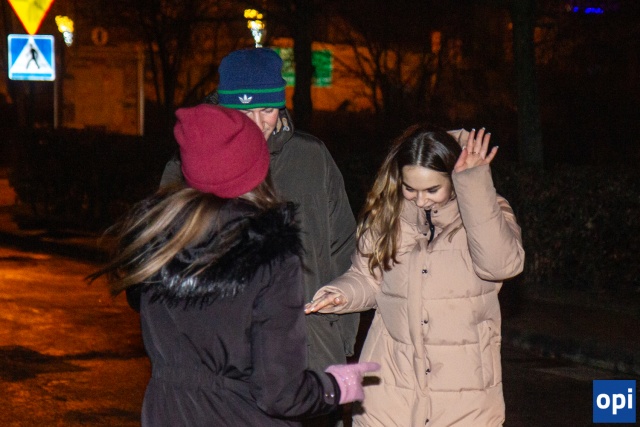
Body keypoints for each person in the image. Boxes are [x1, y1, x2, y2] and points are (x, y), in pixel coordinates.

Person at [88, 104, 379, 426]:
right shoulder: (267, 256)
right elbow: (280, 393)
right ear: (257, 170)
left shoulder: (159, 243)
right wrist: (335, 386)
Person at [160, 48, 360, 384]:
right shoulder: (190, 166)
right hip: (227, 367)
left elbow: (344, 247)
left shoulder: (311, 158)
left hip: (311, 353)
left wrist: (339, 334)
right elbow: (165, 266)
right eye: (244, 111)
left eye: (267, 109)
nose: (257, 123)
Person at [305, 125, 525, 426]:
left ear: (453, 179)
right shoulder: (388, 217)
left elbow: (501, 265)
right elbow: (368, 277)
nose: (421, 200)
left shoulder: (488, 210)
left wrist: (474, 184)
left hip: (464, 394)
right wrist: (341, 293)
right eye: (410, 189)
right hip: (390, 389)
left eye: (432, 190)